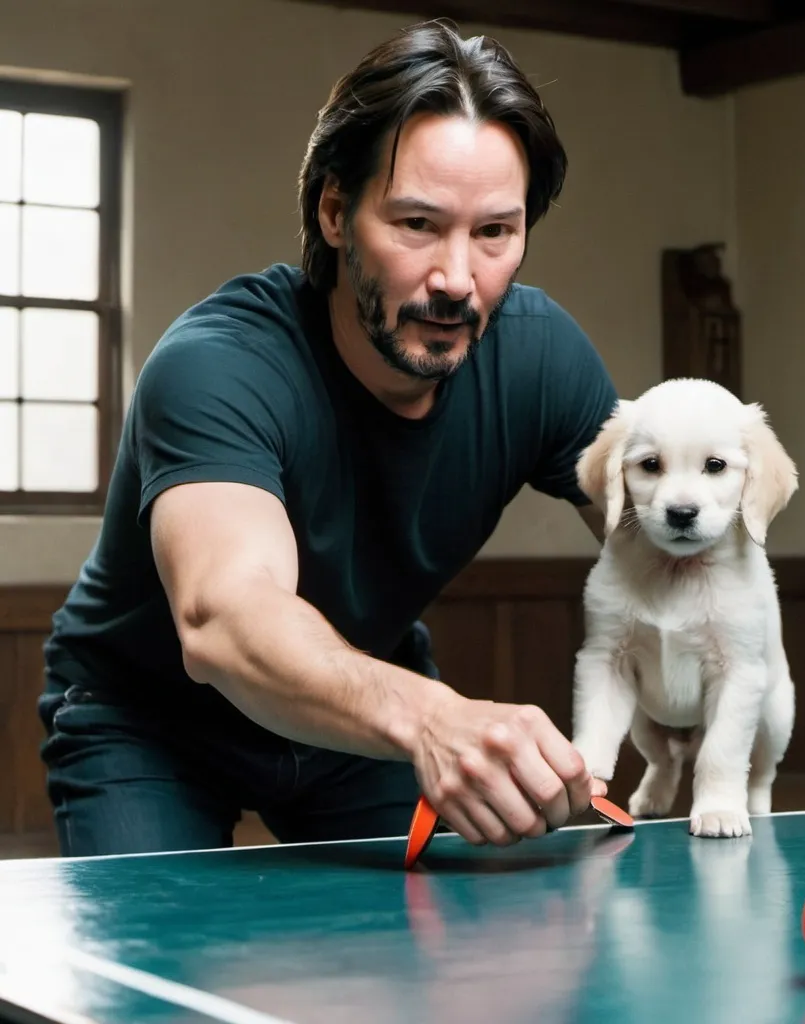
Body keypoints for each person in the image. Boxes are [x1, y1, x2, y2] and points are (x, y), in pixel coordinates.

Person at [37, 18, 619, 858]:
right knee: (152, 974)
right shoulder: (216, 366)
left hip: (356, 706)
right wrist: (434, 719)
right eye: (417, 224)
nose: (457, 279)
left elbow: (663, 544)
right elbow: (227, 619)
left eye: (494, 232)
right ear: (336, 211)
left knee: (474, 945)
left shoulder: (541, 357)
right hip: (149, 720)